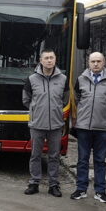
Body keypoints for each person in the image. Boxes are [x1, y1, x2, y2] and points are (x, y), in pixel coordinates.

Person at [71, 52, 106, 204]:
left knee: (100, 161)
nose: (96, 64)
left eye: (99, 61)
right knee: (82, 160)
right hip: (84, 127)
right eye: (93, 61)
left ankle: (100, 191)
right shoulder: (81, 79)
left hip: (102, 128)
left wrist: (104, 115)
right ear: (88, 63)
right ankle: (81, 189)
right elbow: (77, 98)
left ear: (104, 62)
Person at [22, 49, 68, 197]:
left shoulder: (63, 79)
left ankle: (53, 185)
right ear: (40, 61)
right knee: (35, 155)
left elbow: (65, 99)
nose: (49, 60)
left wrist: (55, 110)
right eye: (46, 58)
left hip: (55, 124)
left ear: (55, 60)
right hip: (37, 124)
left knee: (54, 156)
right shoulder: (31, 79)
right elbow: (26, 100)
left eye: (51, 58)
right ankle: (34, 183)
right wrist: (37, 110)